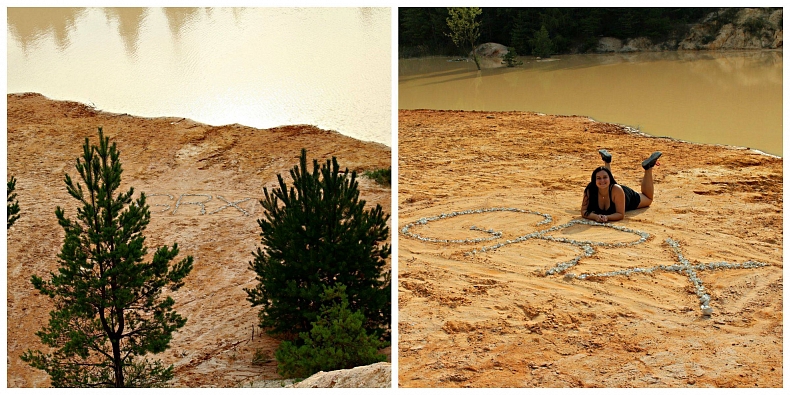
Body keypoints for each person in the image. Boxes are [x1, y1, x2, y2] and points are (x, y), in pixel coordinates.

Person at [581, 149, 661, 223]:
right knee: (605, 182)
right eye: (598, 178)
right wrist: (595, 217)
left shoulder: (617, 190)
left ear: (610, 179)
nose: (601, 181)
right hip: (611, 189)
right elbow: (583, 211)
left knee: (648, 198)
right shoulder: (590, 190)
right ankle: (607, 161)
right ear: (594, 181)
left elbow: (620, 214)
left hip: (624, 195)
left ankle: (648, 168)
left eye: (604, 177)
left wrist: (607, 217)